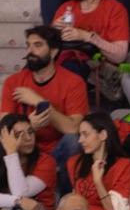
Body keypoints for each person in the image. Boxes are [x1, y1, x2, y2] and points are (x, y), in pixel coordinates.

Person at [2, 27, 90, 185]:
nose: (30, 51)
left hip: (58, 150)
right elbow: (4, 127)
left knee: (73, 141)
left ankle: (64, 201)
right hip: (23, 150)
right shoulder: (13, 82)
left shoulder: (73, 82)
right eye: (28, 45)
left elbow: (74, 128)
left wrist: (40, 102)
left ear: (54, 51)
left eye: (37, 45)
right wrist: (30, 127)